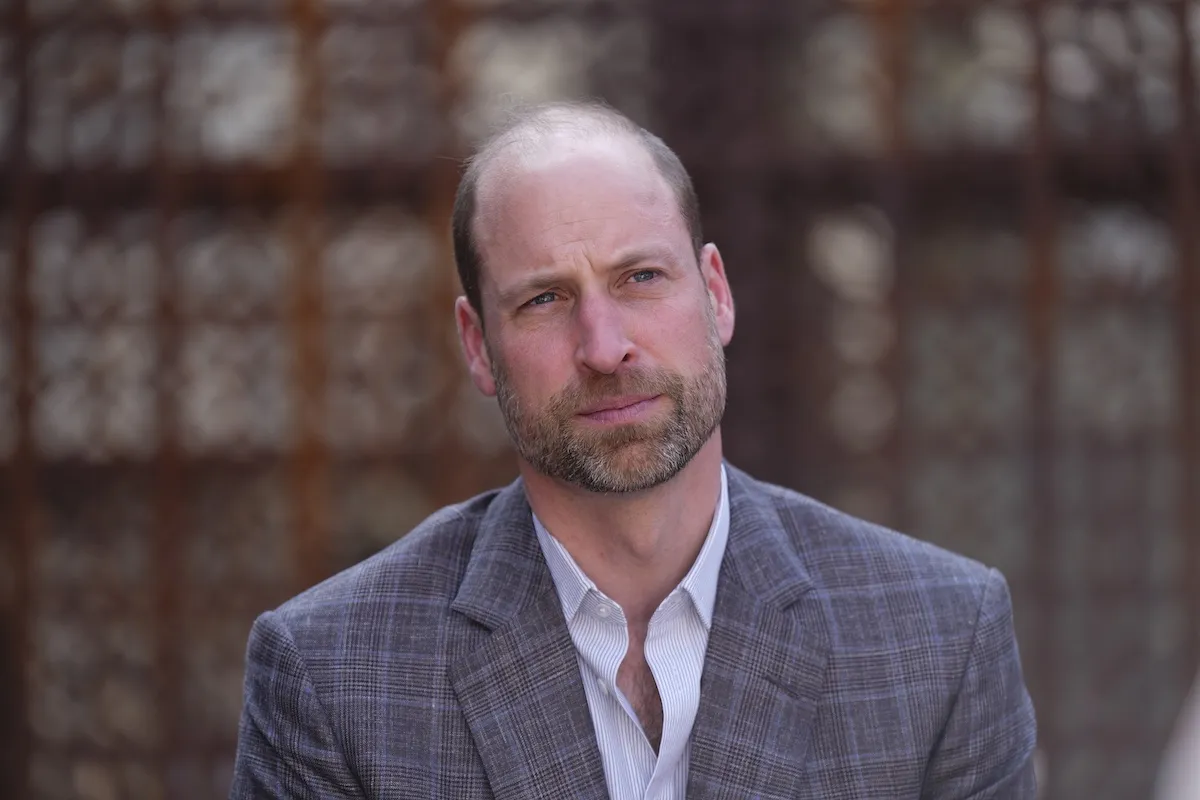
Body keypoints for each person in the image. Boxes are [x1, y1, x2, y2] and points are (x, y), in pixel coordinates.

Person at [230, 101, 1037, 799]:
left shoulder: (939, 641)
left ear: (715, 294)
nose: (605, 347)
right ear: (478, 346)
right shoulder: (333, 675)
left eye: (641, 278)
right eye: (545, 299)